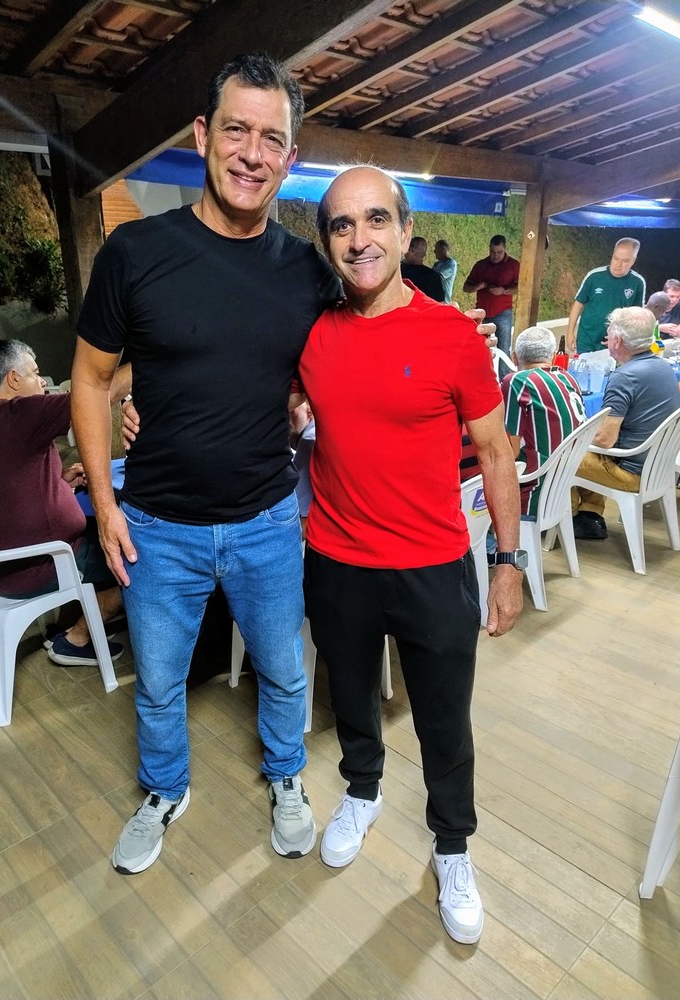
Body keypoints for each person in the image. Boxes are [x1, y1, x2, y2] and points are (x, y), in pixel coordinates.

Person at [71, 53, 345, 876]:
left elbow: (326, 362)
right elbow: (90, 380)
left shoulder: (307, 269)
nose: (252, 154)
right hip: (156, 525)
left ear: (290, 157)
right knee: (158, 683)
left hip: (266, 520)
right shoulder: (135, 251)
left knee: (282, 671)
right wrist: (106, 508)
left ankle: (286, 775)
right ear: (201, 135)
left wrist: (298, 396)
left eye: (272, 139)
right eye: (236, 130)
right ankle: (163, 790)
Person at [299, 165, 524, 946]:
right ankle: (361, 791)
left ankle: (451, 845)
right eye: (341, 224)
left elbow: (495, 454)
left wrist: (507, 562)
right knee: (351, 697)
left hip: (431, 565)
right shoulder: (313, 334)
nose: (359, 239)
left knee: (443, 720)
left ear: (403, 232)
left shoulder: (452, 335)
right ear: (326, 241)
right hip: (336, 560)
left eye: (375, 220)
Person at [0, 339, 128, 666]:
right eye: (35, 373)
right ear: (13, 379)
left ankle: (64, 625)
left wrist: (59, 483)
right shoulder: (19, 414)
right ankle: (76, 638)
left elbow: (1, 486)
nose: (43, 382)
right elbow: (97, 396)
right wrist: (156, 356)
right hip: (36, 567)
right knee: (145, 560)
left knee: (93, 530)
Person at [571, 307, 680, 540]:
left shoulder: (624, 377)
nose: (607, 338)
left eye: (609, 334)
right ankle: (590, 514)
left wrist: (575, 435)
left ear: (618, 341)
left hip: (631, 472)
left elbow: (605, 440)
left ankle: (562, 519)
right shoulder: (663, 367)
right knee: (587, 449)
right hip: (658, 466)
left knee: (559, 456)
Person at [501, 326, 585, 517]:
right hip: (564, 477)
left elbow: (510, 451)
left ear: (515, 358)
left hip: (535, 485)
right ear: (554, 356)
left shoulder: (517, 381)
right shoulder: (568, 378)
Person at [566, 238, 645, 355]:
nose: (618, 264)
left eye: (625, 261)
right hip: (586, 340)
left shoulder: (637, 283)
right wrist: (570, 333)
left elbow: (636, 317)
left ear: (633, 261)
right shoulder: (594, 276)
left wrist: (621, 337)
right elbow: (578, 304)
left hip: (615, 345)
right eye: (616, 258)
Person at [463, 235, 520, 357]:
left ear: (505, 249)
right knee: (479, 346)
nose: (496, 255)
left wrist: (504, 291)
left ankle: (503, 370)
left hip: (503, 312)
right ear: (489, 249)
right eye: (493, 252)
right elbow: (466, 287)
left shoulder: (514, 265)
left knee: (504, 348)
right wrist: (477, 287)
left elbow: (521, 288)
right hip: (482, 312)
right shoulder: (480, 265)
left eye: (499, 252)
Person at [400, 236, 445, 301]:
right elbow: (440, 303)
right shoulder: (433, 276)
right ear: (424, 255)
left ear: (411, 251)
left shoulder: (399, 270)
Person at [432, 238, 457, 303]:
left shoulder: (451, 263)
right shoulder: (437, 264)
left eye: (436, 249)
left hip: (442, 301)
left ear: (443, 249)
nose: (434, 251)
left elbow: (438, 277)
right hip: (433, 298)